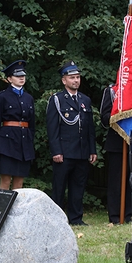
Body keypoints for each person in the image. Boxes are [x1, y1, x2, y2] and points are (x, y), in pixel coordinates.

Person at [46, 61, 97, 226]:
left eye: (77, 77)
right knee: (59, 187)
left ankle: (76, 218)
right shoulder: (57, 100)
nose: (76, 80)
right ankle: (57, 219)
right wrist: (56, 151)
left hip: (81, 151)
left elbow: (89, 128)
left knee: (78, 186)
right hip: (64, 151)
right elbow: (52, 128)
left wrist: (92, 149)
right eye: (72, 77)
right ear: (64, 80)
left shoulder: (85, 100)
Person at [0, 60, 35, 190]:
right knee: (5, 180)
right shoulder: (2, 97)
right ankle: (3, 209)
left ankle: (16, 211)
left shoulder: (28, 98)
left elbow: (32, 124)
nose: (21, 78)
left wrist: (30, 142)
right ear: (9, 79)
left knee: (19, 181)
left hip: (23, 142)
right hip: (7, 143)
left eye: (23, 76)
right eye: (17, 76)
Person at [100, 83, 132, 224]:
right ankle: (115, 216)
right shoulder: (112, 91)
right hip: (116, 143)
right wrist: (119, 114)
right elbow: (104, 118)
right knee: (116, 182)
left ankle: (129, 215)